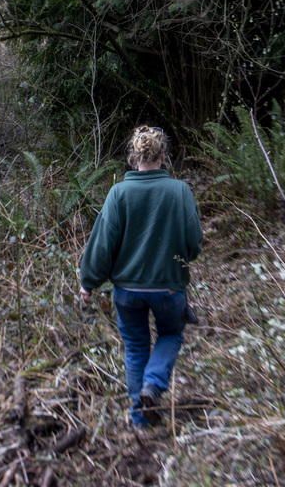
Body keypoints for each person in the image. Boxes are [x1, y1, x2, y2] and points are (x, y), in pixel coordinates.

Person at [79, 125, 203, 428]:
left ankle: (140, 419)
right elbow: (195, 242)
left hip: (127, 291)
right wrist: (180, 260)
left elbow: (102, 245)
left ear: (133, 156)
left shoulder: (118, 193)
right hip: (169, 290)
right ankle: (153, 385)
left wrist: (88, 283)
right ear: (164, 155)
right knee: (171, 334)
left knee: (135, 347)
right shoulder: (180, 191)